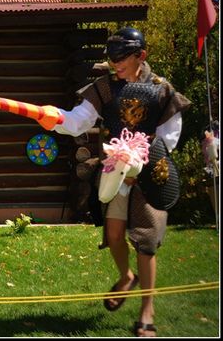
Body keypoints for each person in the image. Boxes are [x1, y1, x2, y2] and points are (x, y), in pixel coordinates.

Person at [50, 27, 191, 337]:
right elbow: (77, 121)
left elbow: (170, 137)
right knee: (114, 234)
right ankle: (126, 276)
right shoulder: (104, 88)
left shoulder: (161, 90)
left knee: (145, 242)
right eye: (111, 57)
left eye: (121, 57)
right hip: (117, 172)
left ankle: (147, 312)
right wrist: (53, 117)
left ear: (141, 55)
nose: (115, 63)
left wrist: (141, 159)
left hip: (152, 174)